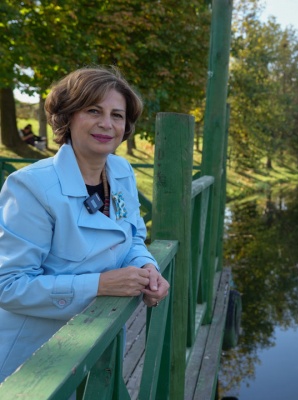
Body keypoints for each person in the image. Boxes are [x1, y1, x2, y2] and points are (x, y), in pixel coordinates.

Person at [0, 67, 170, 383]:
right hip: (29, 365)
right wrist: (100, 285)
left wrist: (148, 268)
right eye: (94, 110)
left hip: (93, 348)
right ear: (68, 117)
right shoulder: (30, 187)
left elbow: (131, 236)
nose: (107, 124)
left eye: (117, 115)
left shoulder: (120, 171)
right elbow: (8, 287)